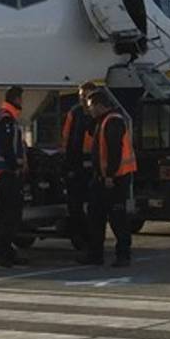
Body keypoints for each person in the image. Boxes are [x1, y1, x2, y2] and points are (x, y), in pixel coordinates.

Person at [81, 90, 136, 267]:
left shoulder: (113, 122)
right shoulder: (103, 121)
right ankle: (95, 254)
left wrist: (110, 175)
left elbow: (114, 151)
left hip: (115, 179)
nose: (89, 111)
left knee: (117, 218)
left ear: (99, 105)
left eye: (91, 107)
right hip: (103, 178)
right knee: (95, 216)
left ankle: (123, 255)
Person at [0, 85, 28, 267]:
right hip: (5, 173)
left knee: (9, 215)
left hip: (2, 172)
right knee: (9, 216)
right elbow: (7, 147)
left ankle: (4, 252)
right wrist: (15, 166)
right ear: (16, 99)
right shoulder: (7, 119)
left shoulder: (6, 117)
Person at [61, 81, 98, 251]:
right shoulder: (74, 113)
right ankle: (80, 238)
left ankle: (92, 240)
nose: (83, 99)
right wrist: (66, 163)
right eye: (81, 96)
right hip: (75, 163)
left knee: (94, 206)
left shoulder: (99, 115)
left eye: (86, 96)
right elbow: (66, 138)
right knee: (74, 205)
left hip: (93, 165)